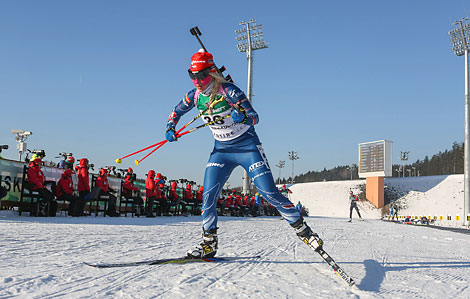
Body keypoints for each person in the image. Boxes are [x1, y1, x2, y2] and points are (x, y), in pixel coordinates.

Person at [164, 49, 322, 259]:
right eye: (192, 76)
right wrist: (170, 127)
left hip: (247, 147)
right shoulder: (194, 96)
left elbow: (255, 117)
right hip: (221, 151)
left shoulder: (229, 91)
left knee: (268, 192)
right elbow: (176, 111)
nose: (197, 81)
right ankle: (209, 243)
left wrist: (243, 117)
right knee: (208, 197)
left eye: (202, 75)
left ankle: (303, 230)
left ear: (211, 72)